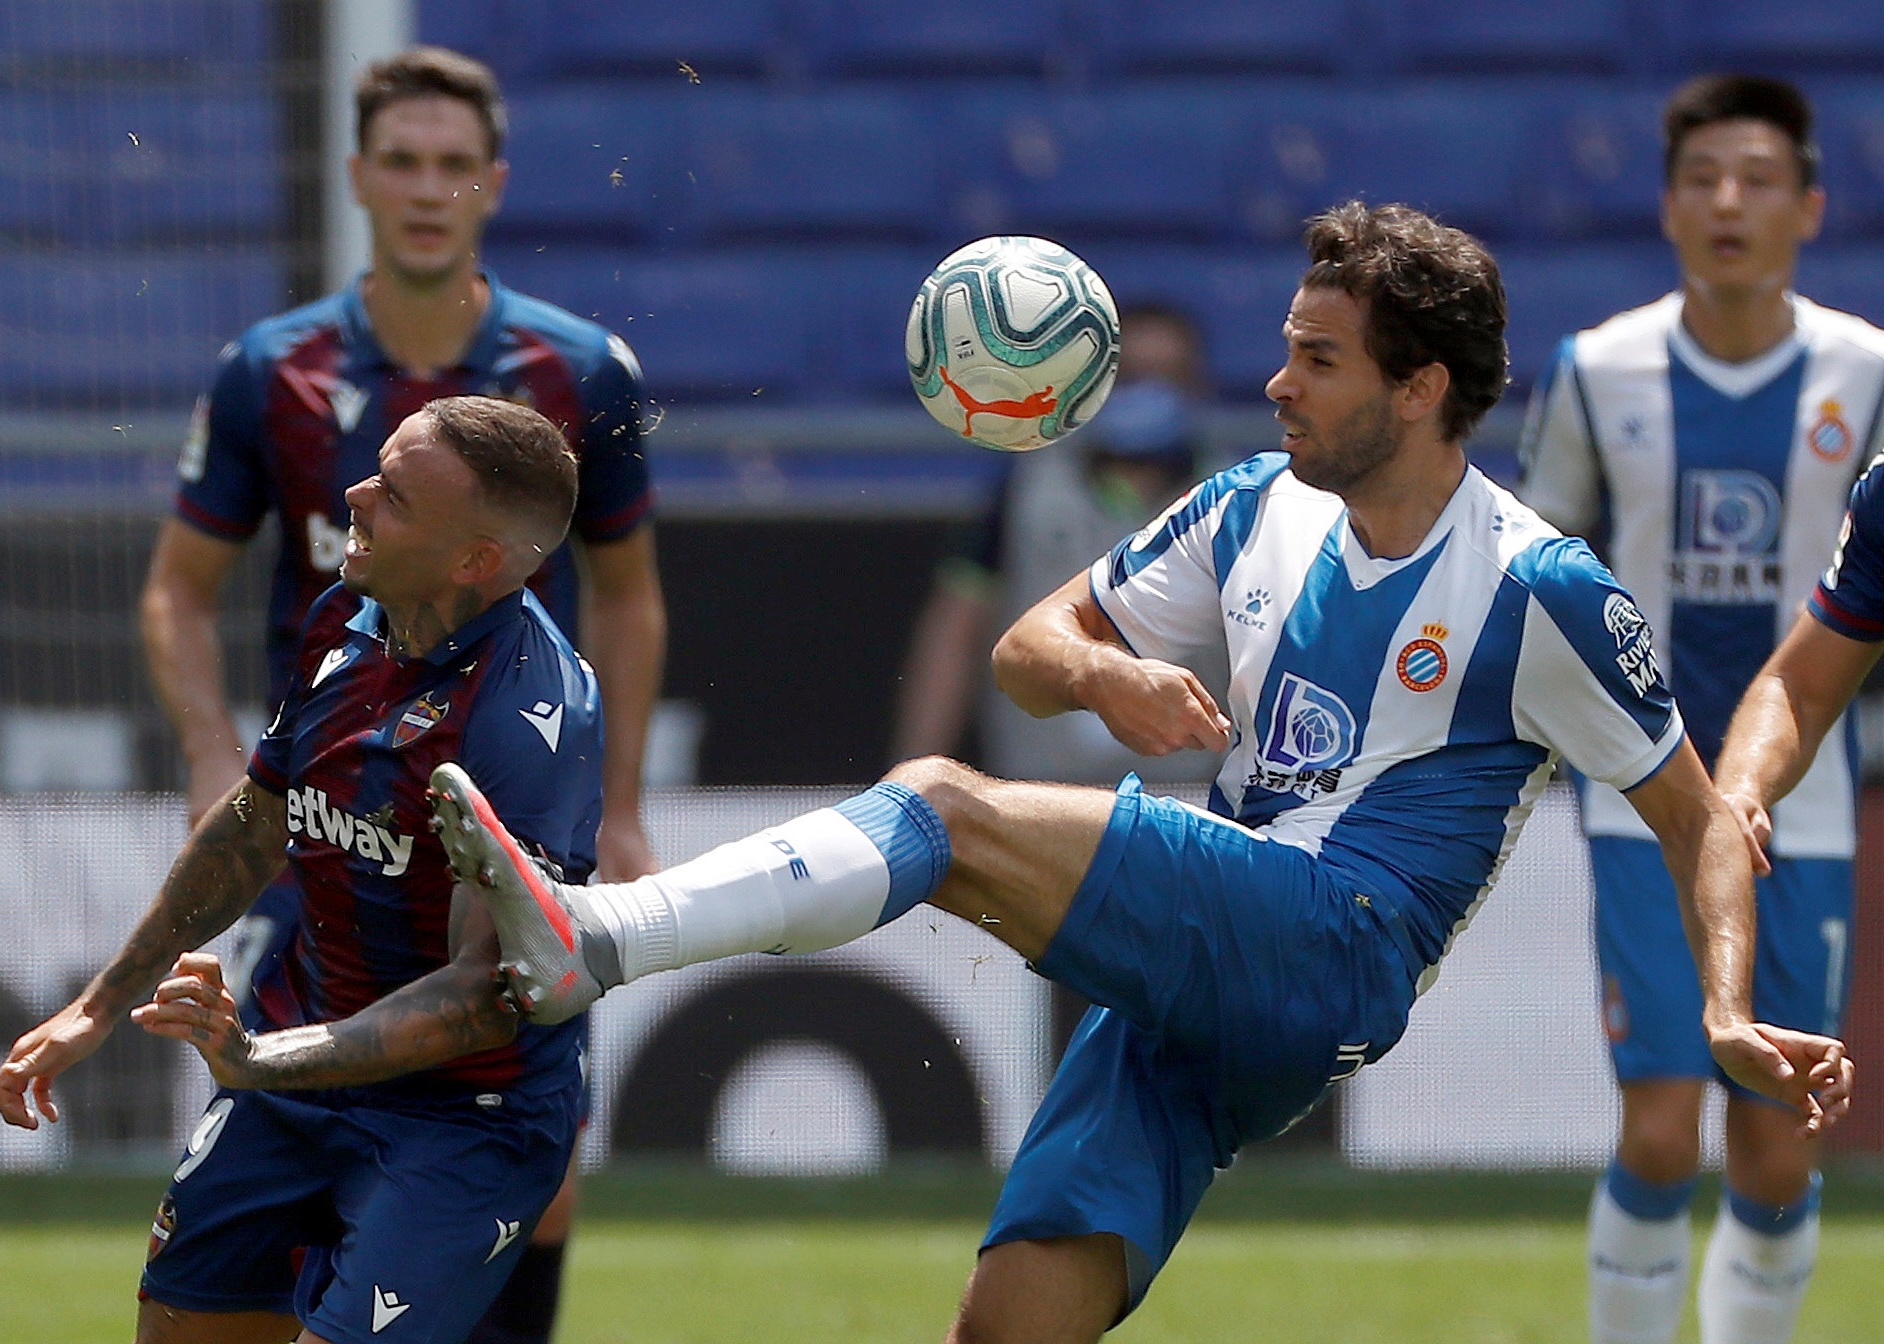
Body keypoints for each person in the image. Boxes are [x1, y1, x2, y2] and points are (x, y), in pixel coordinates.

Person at [143, 202, 1852, 1344]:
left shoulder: (1541, 582)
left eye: (1316, 355)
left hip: (1336, 933)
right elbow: (1039, 637)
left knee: (945, 807)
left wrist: (1719, 1009)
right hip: (1210, 978)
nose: (1274, 376)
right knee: (1004, 1320)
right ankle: (584, 933)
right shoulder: (1256, 501)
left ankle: (592, 932)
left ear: (1420, 385)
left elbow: (1706, 820)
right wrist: (1111, 668)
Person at [138, 47, 665, 1342]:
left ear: (490, 186)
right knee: (297, 1133)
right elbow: (177, 589)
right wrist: (215, 751)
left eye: (452, 167)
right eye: (402, 163)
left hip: (501, 807)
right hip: (324, 808)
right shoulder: (271, 370)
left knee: (522, 1150)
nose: (427, 190)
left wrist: (631, 799)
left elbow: (630, 592)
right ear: (361, 178)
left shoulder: (584, 369)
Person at [0, 397, 596, 1344]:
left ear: (475, 559)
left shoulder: (526, 724)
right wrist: (100, 1005)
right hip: (289, 1076)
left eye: (392, 495)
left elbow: (491, 992)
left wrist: (259, 1058)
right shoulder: (343, 618)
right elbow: (254, 823)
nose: (354, 494)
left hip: (462, 1122)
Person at [1518, 74, 1884, 1344]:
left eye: (1760, 178)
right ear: (1670, 209)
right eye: (1705, 179)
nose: (1731, 201)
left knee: (1777, 1153)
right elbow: (1540, 561)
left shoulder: (1869, 372)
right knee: (1663, 1126)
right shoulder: (1598, 369)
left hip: (1809, 795)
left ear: (1810, 207)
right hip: (1646, 785)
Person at [893, 305, 1224, 785]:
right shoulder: (1026, 486)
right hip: (1041, 789)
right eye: (1129, 377)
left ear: (1197, 386)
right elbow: (956, 630)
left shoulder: (1233, 497)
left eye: (1168, 377)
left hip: (1190, 793)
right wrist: (911, 778)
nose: (1148, 393)